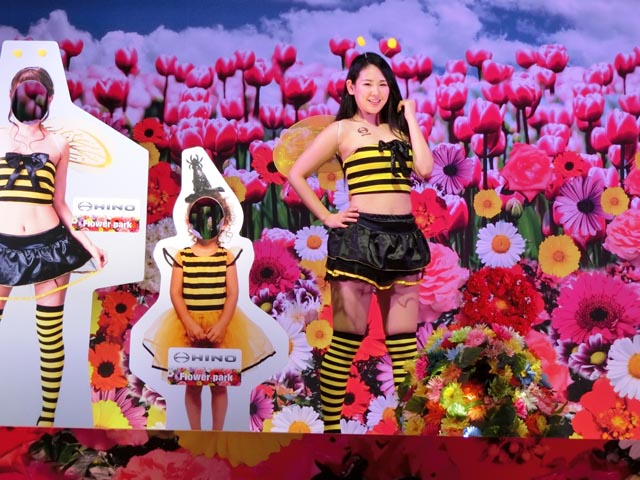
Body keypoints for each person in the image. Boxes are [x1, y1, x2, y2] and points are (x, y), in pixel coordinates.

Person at [288, 52, 434, 432]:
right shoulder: (342, 130)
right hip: (359, 238)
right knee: (346, 340)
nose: (375, 91)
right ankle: (330, 433)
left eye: (383, 84)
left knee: (404, 344)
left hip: (403, 238)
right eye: (367, 83)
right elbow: (297, 173)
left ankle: (409, 431)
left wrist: (411, 118)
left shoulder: (400, 129)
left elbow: (425, 169)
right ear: (351, 87)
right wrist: (327, 216)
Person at [0, 66, 107, 426]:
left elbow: (60, 202)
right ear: (12, 94)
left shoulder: (59, 144)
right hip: (1, 246)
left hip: (49, 247)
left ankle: (47, 420)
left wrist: (88, 242)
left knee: (49, 334)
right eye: (23, 90)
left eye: (36, 91)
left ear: (49, 97)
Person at [144, 187, 275, 430]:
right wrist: (188, 323)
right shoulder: (182, 256)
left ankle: (216, 432)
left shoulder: (226, 257)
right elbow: (175, 293)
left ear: (224, 223)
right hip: (187, 327)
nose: (206, 224)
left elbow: (233, 293)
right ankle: (195, 432)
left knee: (219, 383)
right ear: (189, 222)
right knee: (192, 383)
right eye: (200, 218)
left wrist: (223, 325)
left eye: (212, 218)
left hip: (221, 327)